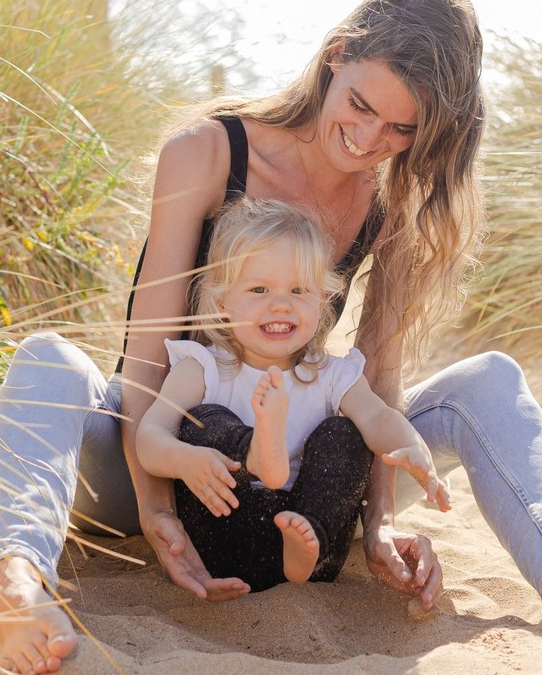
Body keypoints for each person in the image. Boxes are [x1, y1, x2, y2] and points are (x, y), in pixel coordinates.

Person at [0, 0, 542, 675]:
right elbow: (146, 356)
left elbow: (378, 378)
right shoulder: (206, 152)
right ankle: (17, 580)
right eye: (359, 105)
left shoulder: (395, 202)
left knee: (490, 380)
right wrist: (157, 509)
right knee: (49, 359)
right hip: (161, 458)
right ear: (336, 56)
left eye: (400, 129)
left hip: (303, 485)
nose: (367, 139)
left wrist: (379, 522)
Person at [135, 198, 452, 592]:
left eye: (299, 290)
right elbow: (149, 436)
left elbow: (377, 417)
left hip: (309, 542)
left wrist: (412, 447)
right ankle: (255, 454)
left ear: (322, 300)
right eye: (259, 289)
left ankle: (306, 544)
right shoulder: (202, 368)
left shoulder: (333, 374)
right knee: (206, 419)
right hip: (226, 532)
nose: (281, 304)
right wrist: (185, 460)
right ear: (222, 302)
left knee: (346, 435)